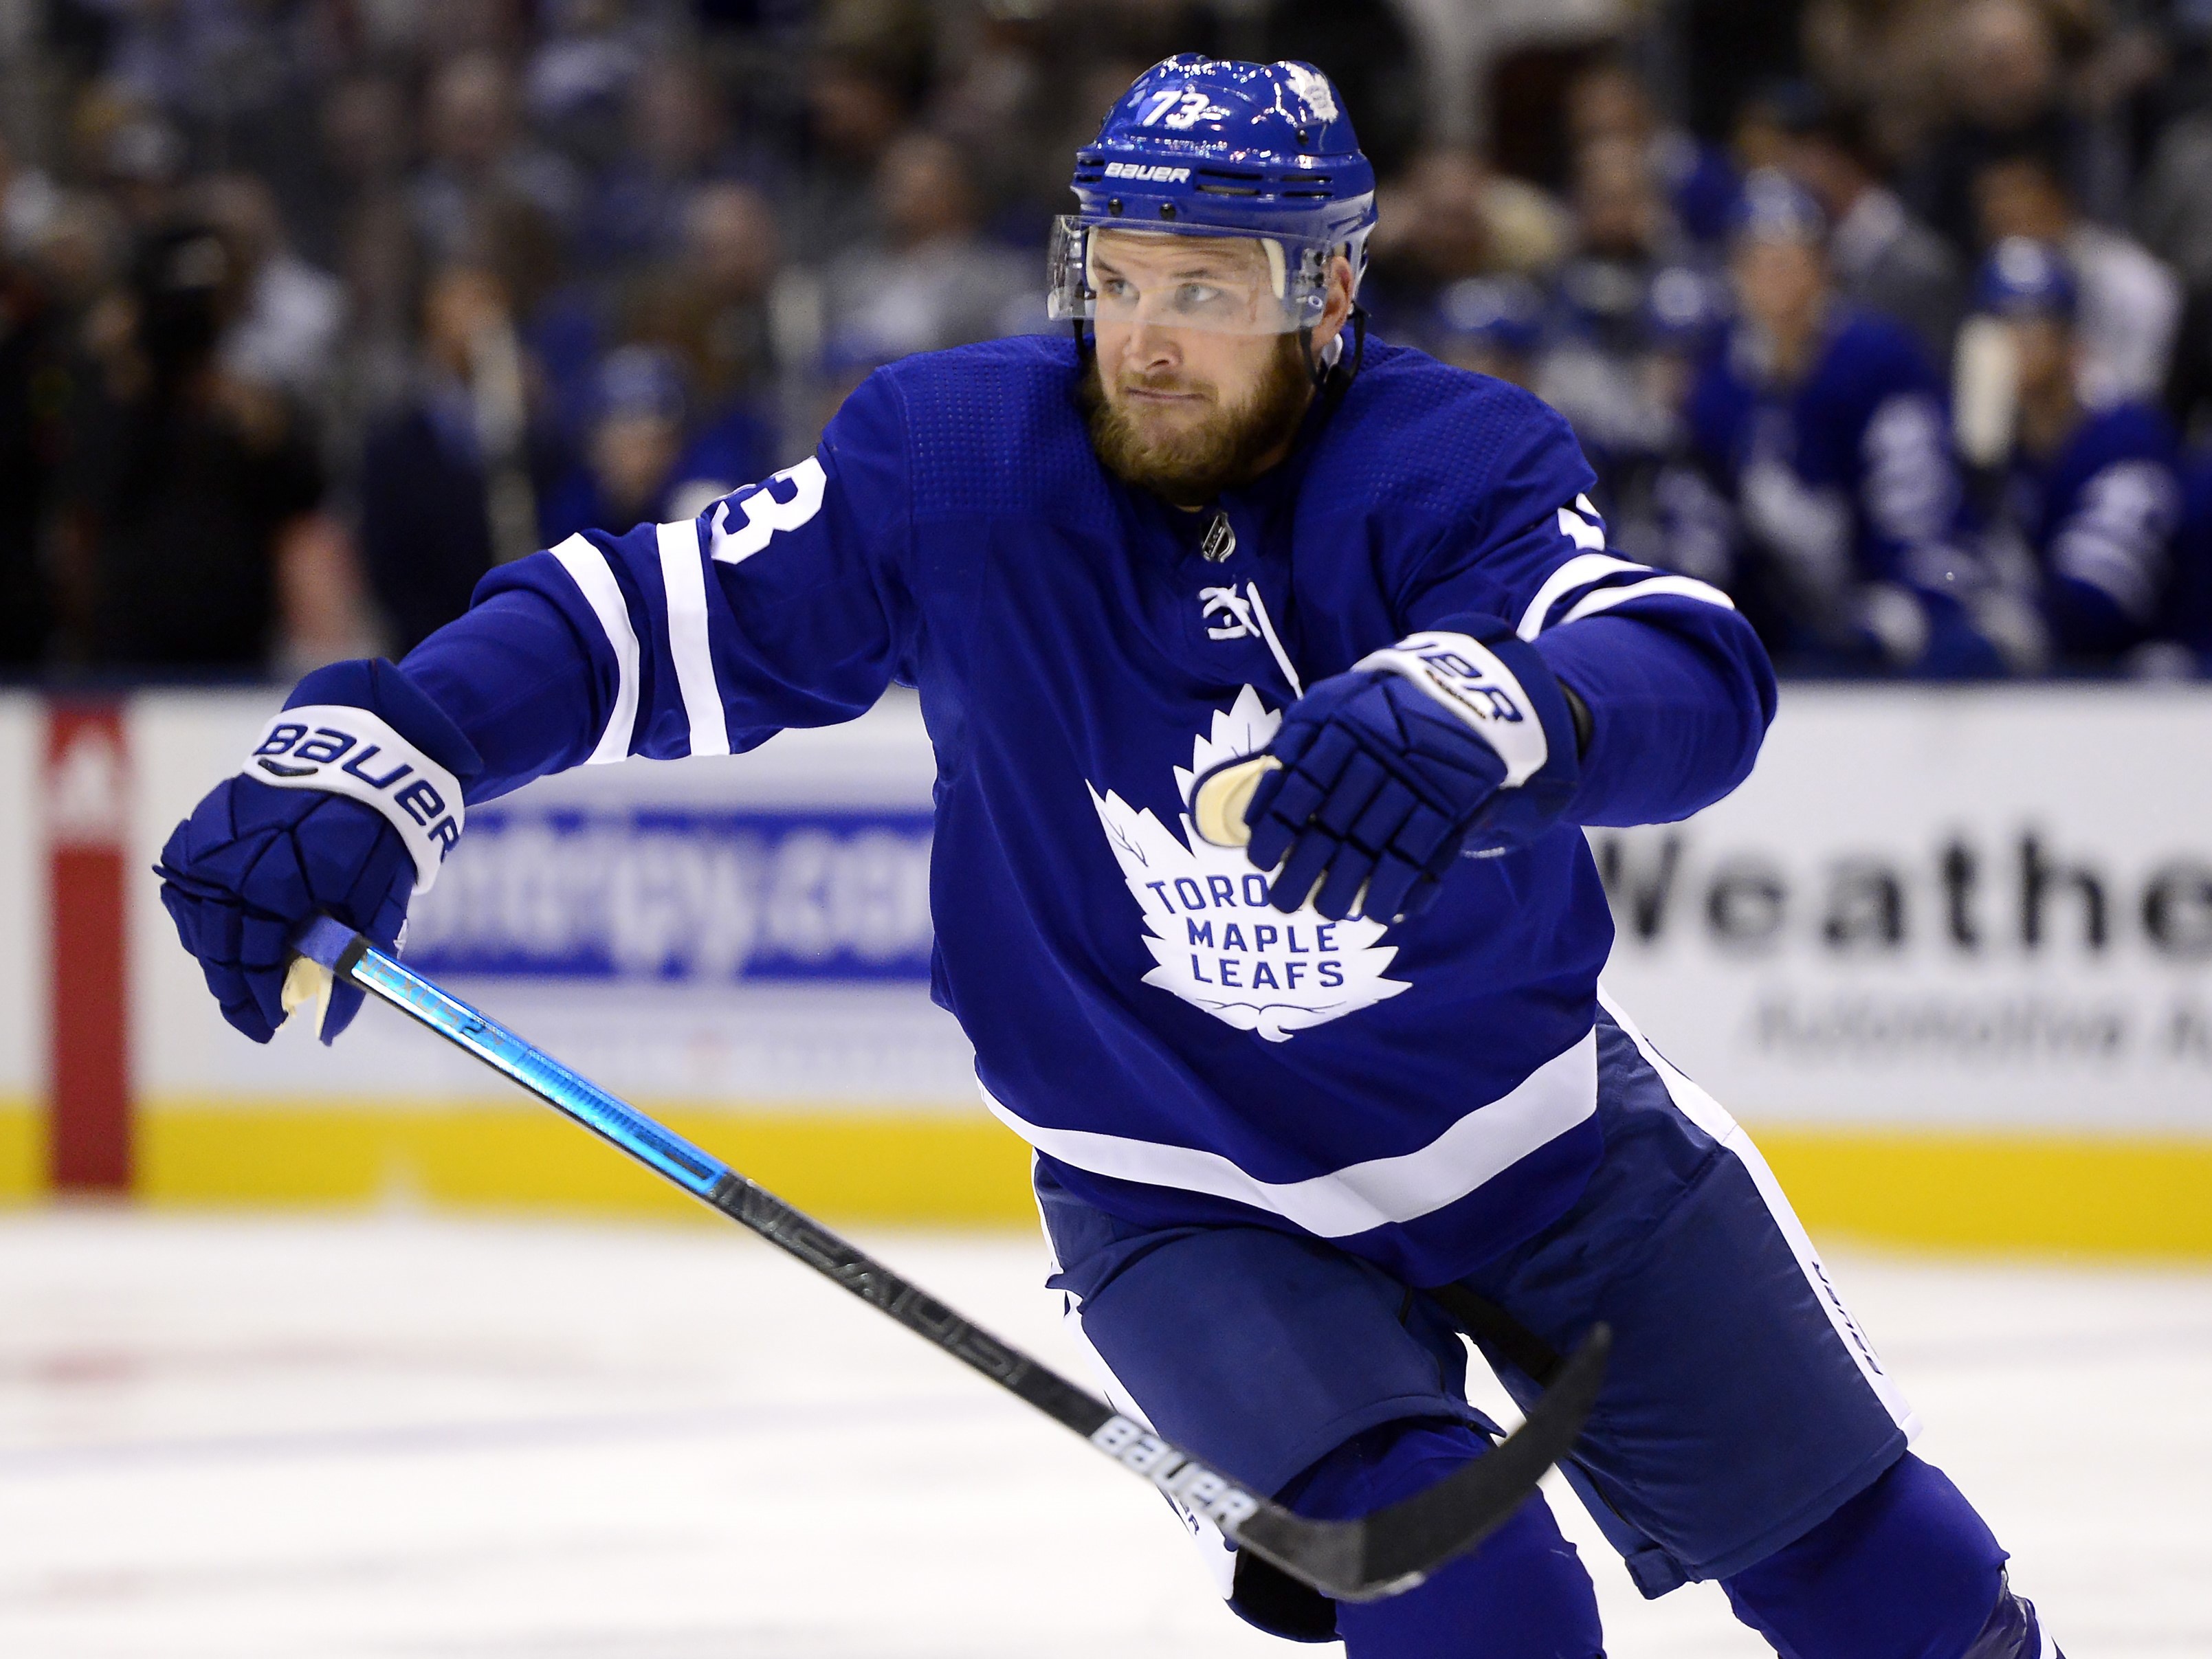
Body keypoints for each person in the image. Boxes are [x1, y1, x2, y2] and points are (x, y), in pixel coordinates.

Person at [153, 57, 2061, 1659]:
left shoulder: (1443, 463)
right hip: (1185, 1193)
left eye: (1208, 292)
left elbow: (1681, 670)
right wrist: (392, 742)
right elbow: (628, 625)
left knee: (1905, 1592)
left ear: (1325, 300)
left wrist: (1508, 709)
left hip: (1542, 1143)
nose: (1144, 343)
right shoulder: (956, 463)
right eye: (1119, 279)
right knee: (1473, 1597)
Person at [1684, 170, 2013, 674]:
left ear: (1823, 269)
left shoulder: (1878, 362)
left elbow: (1921, 509)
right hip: (1788, 613)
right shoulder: (1717, 381)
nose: (1778, 281)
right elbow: (1708, 519)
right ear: (1736, 274)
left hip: (1897, 595)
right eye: (1762, 263)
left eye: (1792, 261)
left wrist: (1914, 607)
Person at [1969, 238, 2186, 670]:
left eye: (2032, 325)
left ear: (2074, 344)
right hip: (2037, 683)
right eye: (2000, 325)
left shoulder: (2124, 439)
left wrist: (2010, 624)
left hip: (2151, 677)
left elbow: (2100, 607)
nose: (2013, 343)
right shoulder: (1980, 444)